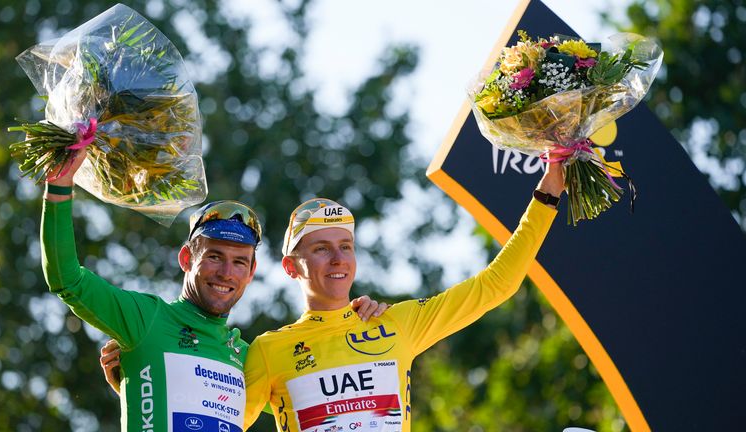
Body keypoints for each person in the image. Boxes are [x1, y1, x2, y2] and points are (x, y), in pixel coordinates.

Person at [42, 150, 384, 432]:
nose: (226, 272)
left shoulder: (251, 355)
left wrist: (352, 319)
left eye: (239, 262)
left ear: (251, 272)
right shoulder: (146, 320)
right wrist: (59, 186)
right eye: (215, 257)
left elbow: (322, 391)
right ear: (186, 258)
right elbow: (67, 279)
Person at [241, 162, 564, 432]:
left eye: (346, 247)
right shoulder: (269, 350)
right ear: (290, 267)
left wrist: (547, 196)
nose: (338, 259)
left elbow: (498, 284)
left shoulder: (397, 322)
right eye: (321, 249)